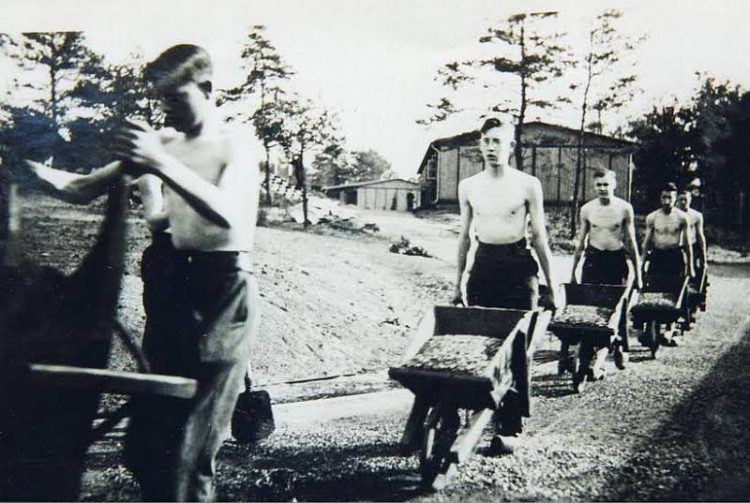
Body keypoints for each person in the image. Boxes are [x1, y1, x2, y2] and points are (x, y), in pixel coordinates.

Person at [455, 116, 557, 451]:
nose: (491, 147)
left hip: (518, 268)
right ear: (480, 145)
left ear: (511, 146)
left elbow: (539, 235)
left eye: (498, 141)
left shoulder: (528, 184)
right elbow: (464, 237)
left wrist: (552, 285)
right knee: (482, 342)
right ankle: (472, 410)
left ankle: (510, 426)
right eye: (486, 141)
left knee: (515, 347)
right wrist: (458, 283)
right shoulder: (469, 186)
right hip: (483, 267)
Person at [565, 169, 641, 390]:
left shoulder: (625, 208)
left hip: (615, 262)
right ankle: (586, 358)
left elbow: (632, 242)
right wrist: (572, 272)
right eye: (598, 185)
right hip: (593, 261)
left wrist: (638, 274)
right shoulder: (587, 209)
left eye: (606, 184)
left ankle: (620, 345)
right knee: (590, 310)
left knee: (616, 309)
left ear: (614, 184)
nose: (602, 189)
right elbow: (581, 242)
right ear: (594, 186)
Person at [641, 182, 694, 346]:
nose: (666, 201)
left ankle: (670, 328)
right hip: (657, 256)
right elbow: (647, 242)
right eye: (664, 197)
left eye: (670, 198)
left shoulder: (682, 218)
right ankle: (649, 327)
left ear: (675, 198)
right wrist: (642, 263)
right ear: (660, 198)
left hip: (674, 257)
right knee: (653, 291)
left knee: (674, 293)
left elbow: (687, 244)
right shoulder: (652, 217)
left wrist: (690, 266)